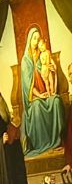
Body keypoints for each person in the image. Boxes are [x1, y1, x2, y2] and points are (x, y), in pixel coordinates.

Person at [19, 27, 67, 157]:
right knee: (37, 107)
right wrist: (40, 95)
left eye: (38, 39)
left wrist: (53, 69)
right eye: (34, 38)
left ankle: (57, 141)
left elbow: (47, 73)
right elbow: (28, 86)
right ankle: (43, 144)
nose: (36, 41)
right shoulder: (25, 61)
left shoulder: (42, 55)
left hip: (47, 92)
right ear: (29, 40)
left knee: (56, 101)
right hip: (34, 98)